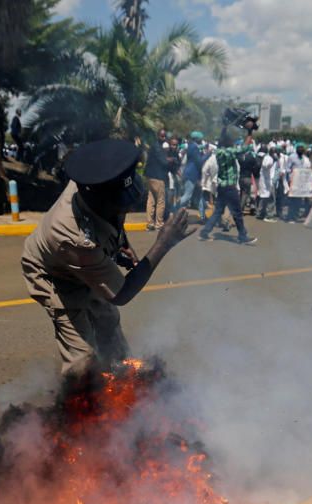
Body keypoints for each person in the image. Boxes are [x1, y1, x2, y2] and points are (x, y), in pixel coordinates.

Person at [21, 139, 195, 377]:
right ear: (97, 200)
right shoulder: (72, 235)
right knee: (83, 358)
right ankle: (78, 402)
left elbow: (112, 218)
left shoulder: (97, 181)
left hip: (86, 259)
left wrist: (120, 244)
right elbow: (121, 294)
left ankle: (120, 382)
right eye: (118, 205)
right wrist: (163, 243)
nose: (124, 209)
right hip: (54, 274)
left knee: (108, 324)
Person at [197, 130, 258, 245]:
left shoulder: (219, 152)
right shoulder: (228, 152)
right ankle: (242, 236)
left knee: (218, 211)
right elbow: (244, 149)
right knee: (237, 213)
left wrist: (225, 128)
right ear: (228, 142)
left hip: (222, 187)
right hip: (229, 187)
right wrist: (249, 132)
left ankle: (204, 232)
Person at [143, 128, 170, 231]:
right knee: (160, 201)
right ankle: (159, 223)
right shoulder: (158, 147)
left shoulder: (154, 146)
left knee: (151, 200)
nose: (163, 138)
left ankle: (150, 224)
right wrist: (169, 158)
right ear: (158, 136)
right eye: (162, 136)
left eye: (164, 136)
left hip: (150, 176)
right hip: (158, 177)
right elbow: (164, 162)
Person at [177, 131, 206, 217]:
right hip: (192, 175)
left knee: (200, 196)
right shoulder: (194, 147)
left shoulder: (192, 146)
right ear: (197, 139)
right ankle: (173, 209)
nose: (202, 140)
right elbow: (199, 162)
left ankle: (203, 216)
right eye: (201, 139)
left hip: (194, 175)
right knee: (187, 196)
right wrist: (208, 154)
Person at [257, 145, 281, 222]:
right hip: (267, 181)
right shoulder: (269, 159)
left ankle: (260, 214)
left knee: (264, 197)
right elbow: (266, 166)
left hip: (266, 181)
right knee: (270, 198)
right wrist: (273, 161)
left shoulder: (269, 158)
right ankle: (268, 216)